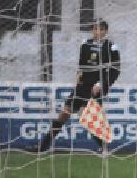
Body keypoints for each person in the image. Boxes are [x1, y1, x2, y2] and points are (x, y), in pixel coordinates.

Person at [34, 19, 121, 153]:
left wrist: (101, 84)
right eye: (95, 28)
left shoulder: (111, 47)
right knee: (64, 114)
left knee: (84, 115)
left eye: (101, 29)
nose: (97, 31)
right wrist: (79, 75)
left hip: (95, 87)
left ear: (105, 31)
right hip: (82, 86)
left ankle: (104, 147)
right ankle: (44, 146)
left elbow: (115, 70)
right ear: (92, 30)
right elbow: (81, 65)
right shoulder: (85, 44)